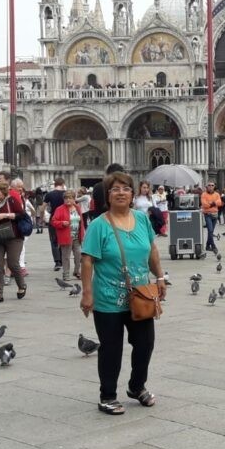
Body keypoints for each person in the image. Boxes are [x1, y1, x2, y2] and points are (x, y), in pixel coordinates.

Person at [79, 171, 166, 416]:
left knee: (145, 344)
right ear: (108, 195)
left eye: (125, 188)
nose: (120, 192)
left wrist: (159, 277)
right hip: (108, 298)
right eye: (115, 189)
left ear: (132, 194)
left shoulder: (141, 219)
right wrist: (87, 294)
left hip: (140, 295)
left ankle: (136, 386)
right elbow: (87, 261)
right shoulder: (99, 225)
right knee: (111, 348)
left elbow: (152, 250)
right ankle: (107, 396)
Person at [0, 180, 28, 303]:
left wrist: (5, 215)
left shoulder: (12, 201)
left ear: (3, 191)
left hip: (14, 236)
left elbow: (22, 215)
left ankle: (21, 285)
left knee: (13, 263)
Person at [51, 190, 86, 282]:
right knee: (66, 256)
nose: (67, 200)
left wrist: (83, 233)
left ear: (74, 199)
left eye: (70, 198)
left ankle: (76, 271)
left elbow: (81, 222)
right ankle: (66, 274)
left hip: (77, 236)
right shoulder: (60, 209)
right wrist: (62, 223)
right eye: (66, 198)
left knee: (78, 254)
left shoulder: (77, 208)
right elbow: (53, 221)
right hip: (66, 236)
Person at [44, 178, 68, 272]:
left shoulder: (50, 194)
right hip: (65, 219)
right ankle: (63, 261)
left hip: (53, 219)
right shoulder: (67, 194)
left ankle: (57, 262)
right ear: (63, 184)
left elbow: (42, 207)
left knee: (54, 240)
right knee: (63, 240)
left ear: (55, 184)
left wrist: (42, 217)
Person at [200, 182, 223, 253]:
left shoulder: (217, 194)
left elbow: (219, 203)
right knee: (210, 230)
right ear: (207, 187)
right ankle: (213, 246)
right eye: (209, 185)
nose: (210, 186)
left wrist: (211, 203)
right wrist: (214, 203)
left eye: (212, 185)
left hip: (215, 215)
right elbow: (204, 204)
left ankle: (207, 246)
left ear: (214, 187)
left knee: (211, 231)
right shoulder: (204, 194)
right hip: (207, 215)